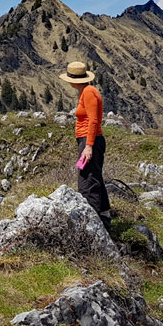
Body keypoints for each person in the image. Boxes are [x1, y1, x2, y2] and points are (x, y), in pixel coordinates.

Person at [59, 61, 113, 231]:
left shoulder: (89, 93)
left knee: (87, 181)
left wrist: (88, 146)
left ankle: (92, 224)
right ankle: (104, 215)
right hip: (91, 140)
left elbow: (93, 121)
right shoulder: (87, 91)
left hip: (90, 140)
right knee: (94, 177)